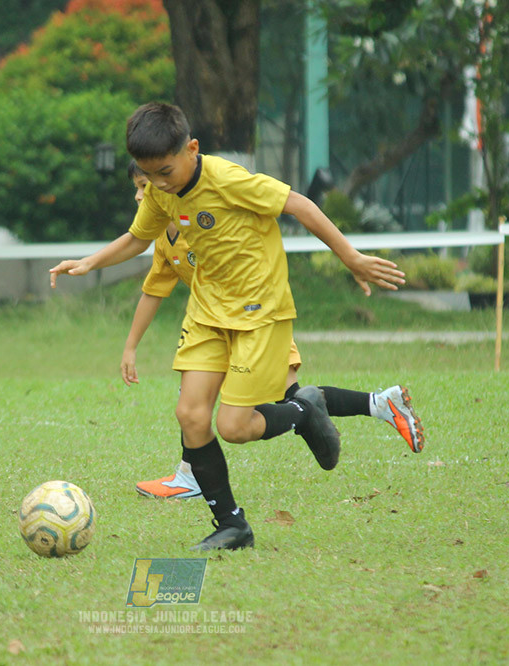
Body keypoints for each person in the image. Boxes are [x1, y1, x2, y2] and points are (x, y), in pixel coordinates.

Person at [50, 102, 406, 550]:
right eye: (148, 176)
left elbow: (298, 204)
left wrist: (350, 257)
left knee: (236, 427)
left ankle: (305, 409)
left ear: (192, 149)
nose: (158, 185)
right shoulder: (161, 191)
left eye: (165, 171)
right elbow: (139, 237)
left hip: (259, 314)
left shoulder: (227, 179)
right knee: (191, 415)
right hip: (206, 313)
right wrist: (89, 262)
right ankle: (232, 526)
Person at [121, 160, 424, 500]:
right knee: (206, 396)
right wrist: (131, 345)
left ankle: (191, 475)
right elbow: (153, 290)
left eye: (144, 187)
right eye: (137, 188)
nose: (139, 196)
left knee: (289, 399)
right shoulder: (165, 237)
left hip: (256, 320)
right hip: (218, 324)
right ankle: (379, 403)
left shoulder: (205, 214)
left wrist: (349, 257)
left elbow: (281, 213)